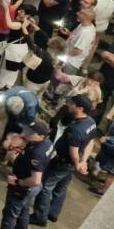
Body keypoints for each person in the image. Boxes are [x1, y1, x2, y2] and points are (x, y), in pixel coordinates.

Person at [30, 95, 98, 227]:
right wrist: (83, 161)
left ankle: (40, 217)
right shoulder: (90, 121)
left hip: (64, 162)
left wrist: (78, 163)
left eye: (72, 103)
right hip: (71, 164)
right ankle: (53, 213)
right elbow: (91, 141)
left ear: (80, 108)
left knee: (45, 187)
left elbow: (73, 151)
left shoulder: (76, 129)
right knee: (61, 187)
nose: (69, 104)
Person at [0, 121, 51, 229]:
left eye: (31, 133)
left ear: (41, 136)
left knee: (10, 215)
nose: (26, 134)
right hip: (33, 187)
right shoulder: (47, 143)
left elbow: (35, 180)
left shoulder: (37, 153)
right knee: (23, 211)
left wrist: (18, 182)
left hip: (24, 187)